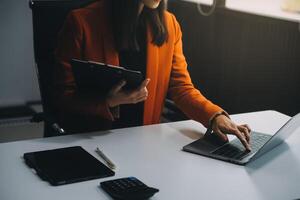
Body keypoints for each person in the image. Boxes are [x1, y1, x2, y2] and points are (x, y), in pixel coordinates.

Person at [53, 0, 251, 150]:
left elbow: (181, 88)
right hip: (93, 145)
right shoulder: (81, 23)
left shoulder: (169, 24)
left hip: (146, 144)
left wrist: (214, 116)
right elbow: (61, 97)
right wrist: (108, 102)